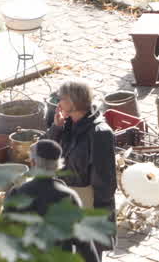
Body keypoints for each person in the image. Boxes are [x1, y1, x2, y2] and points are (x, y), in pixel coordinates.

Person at [44, 78, 116, 258]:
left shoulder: (100, 133)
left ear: (73, 102)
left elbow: (105, 181)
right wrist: (56, 128)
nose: (58, 103)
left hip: (88, 204)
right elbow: (45, 153)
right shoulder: (67, 124)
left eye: (61, 98)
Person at [6, 140, 96, 262]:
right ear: (58, 166)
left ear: (33, 163)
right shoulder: (68, 196)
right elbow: (85, 243)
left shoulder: (17, 194)